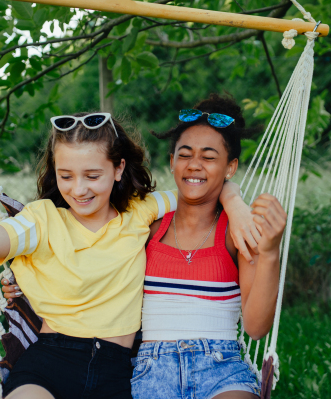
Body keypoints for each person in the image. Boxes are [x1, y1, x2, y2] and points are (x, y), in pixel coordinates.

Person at [0, 88, 259, 399]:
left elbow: (202, 186)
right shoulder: (42, 221)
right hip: (49, 364)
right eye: (66, 176)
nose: (78, 190)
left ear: (118, 168)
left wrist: (236, 205)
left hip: (118, 374)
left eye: (92, 175)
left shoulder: (138, 211)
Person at [132, 93, 287, 399]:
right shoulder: (148, 228)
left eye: (209, 157)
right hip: (152, 371)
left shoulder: (236, 233)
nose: (194, 165)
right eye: (185, 154)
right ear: (172, 160)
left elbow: (256, 327)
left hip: (222, 369)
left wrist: (269, 252)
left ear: (230, 168)